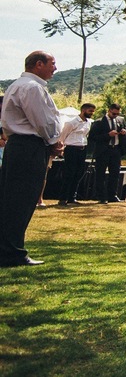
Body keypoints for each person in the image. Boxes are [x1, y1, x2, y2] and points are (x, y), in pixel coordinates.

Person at [0, 52, 63, 267]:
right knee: (21, 201)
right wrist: (54, 141)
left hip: (18, 146)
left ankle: (9, 248)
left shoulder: (17, 85)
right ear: (38, 64)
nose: (55, 68)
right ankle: (12, 252)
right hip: (28, 147)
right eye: (52, 64)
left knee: (11, 200)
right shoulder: (32, 88)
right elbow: (43, 122)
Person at [87, 103, 126, 204]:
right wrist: (107, 135)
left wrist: (124, 132)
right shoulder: (99, 122)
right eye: (114, 113)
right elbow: (92, 138)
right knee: (100, 174)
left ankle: (112, 195)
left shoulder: (120, 120)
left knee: (115, 173)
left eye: (117, 114)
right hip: (103, 151)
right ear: (109, 110)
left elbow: (125, 130)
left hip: (116, 150)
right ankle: (101, 196)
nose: (115, 116)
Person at [56, 103, 95, 206]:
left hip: (82, 149)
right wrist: (60, 149)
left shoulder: (88, 123)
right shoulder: (72, 123)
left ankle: (72, 197)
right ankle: (63, 198)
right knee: (69, 173)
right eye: (90, 111)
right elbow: (62, 136)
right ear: (83, 110)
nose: (92, 113)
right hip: (72, 149)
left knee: (78, 173)